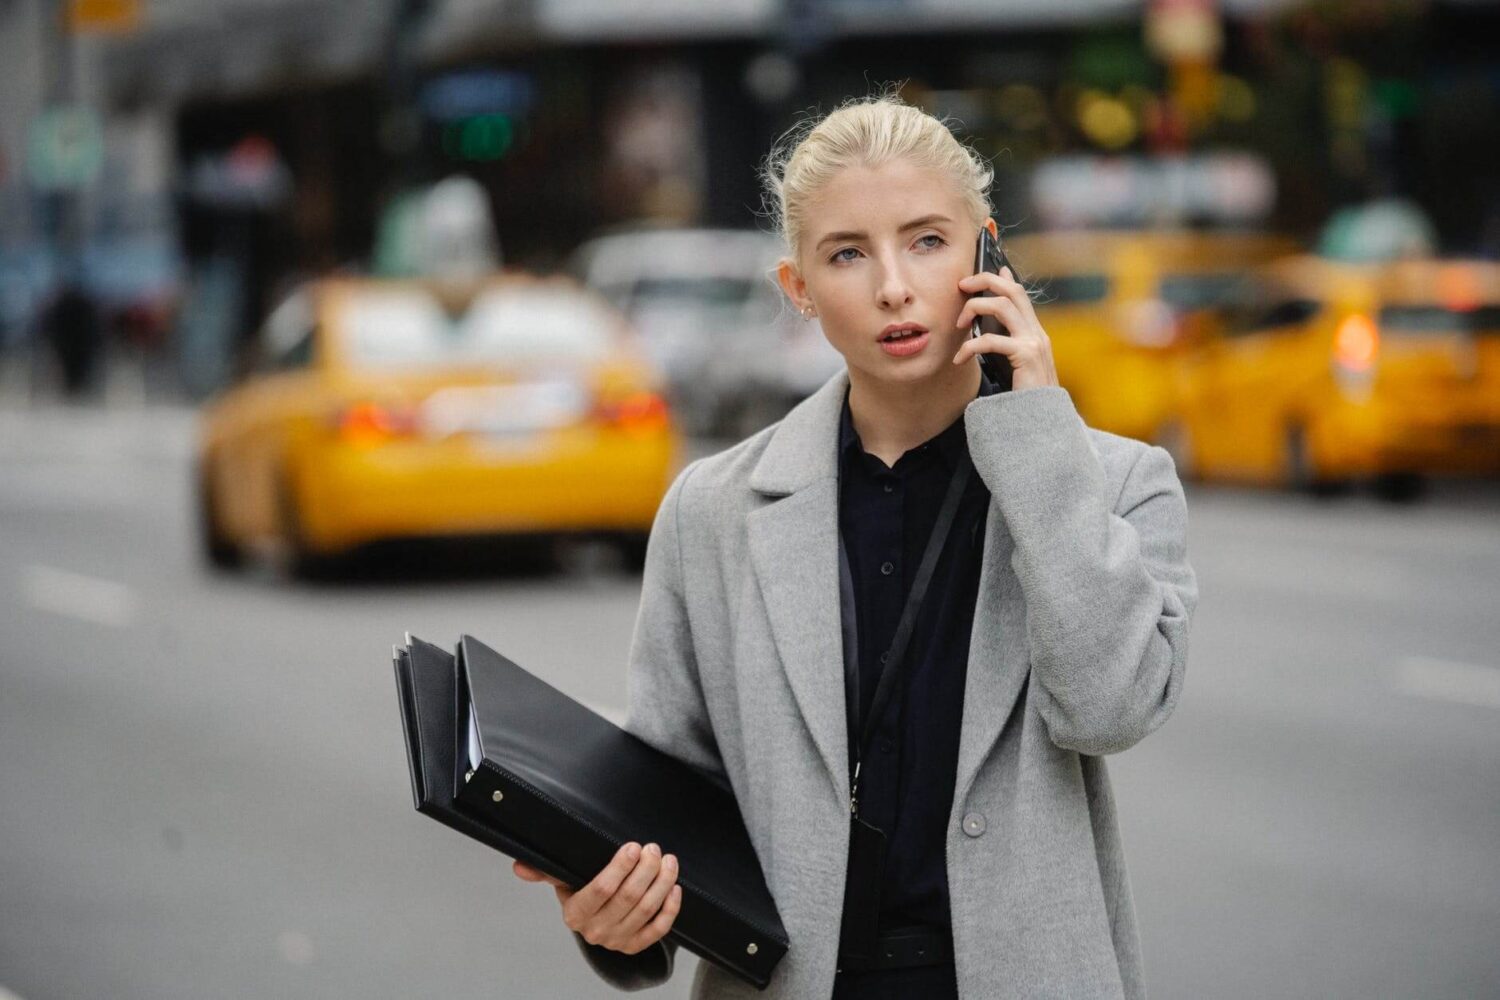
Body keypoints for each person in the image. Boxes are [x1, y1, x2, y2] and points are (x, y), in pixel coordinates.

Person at [514, 93, 1198, 999]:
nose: (892, 286)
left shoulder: (1114, 485)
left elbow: (1110, 707)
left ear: (989, 253)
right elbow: (672, 800)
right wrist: (615, 914)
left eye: (927, 240)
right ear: (797, 289)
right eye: (847, 253)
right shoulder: (713, 510)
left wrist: (1035, 434)